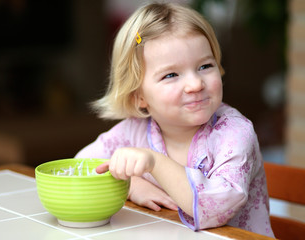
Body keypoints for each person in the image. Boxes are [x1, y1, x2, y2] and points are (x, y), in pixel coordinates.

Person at [75, 3, 274, 238]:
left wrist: (154, 163)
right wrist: (132, 185)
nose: (195, 84)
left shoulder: (234, 133)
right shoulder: (135, 131)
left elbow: (217, 209)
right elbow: (82, 166)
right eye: (171, 75)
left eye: (204, 66)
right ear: (138, 96)